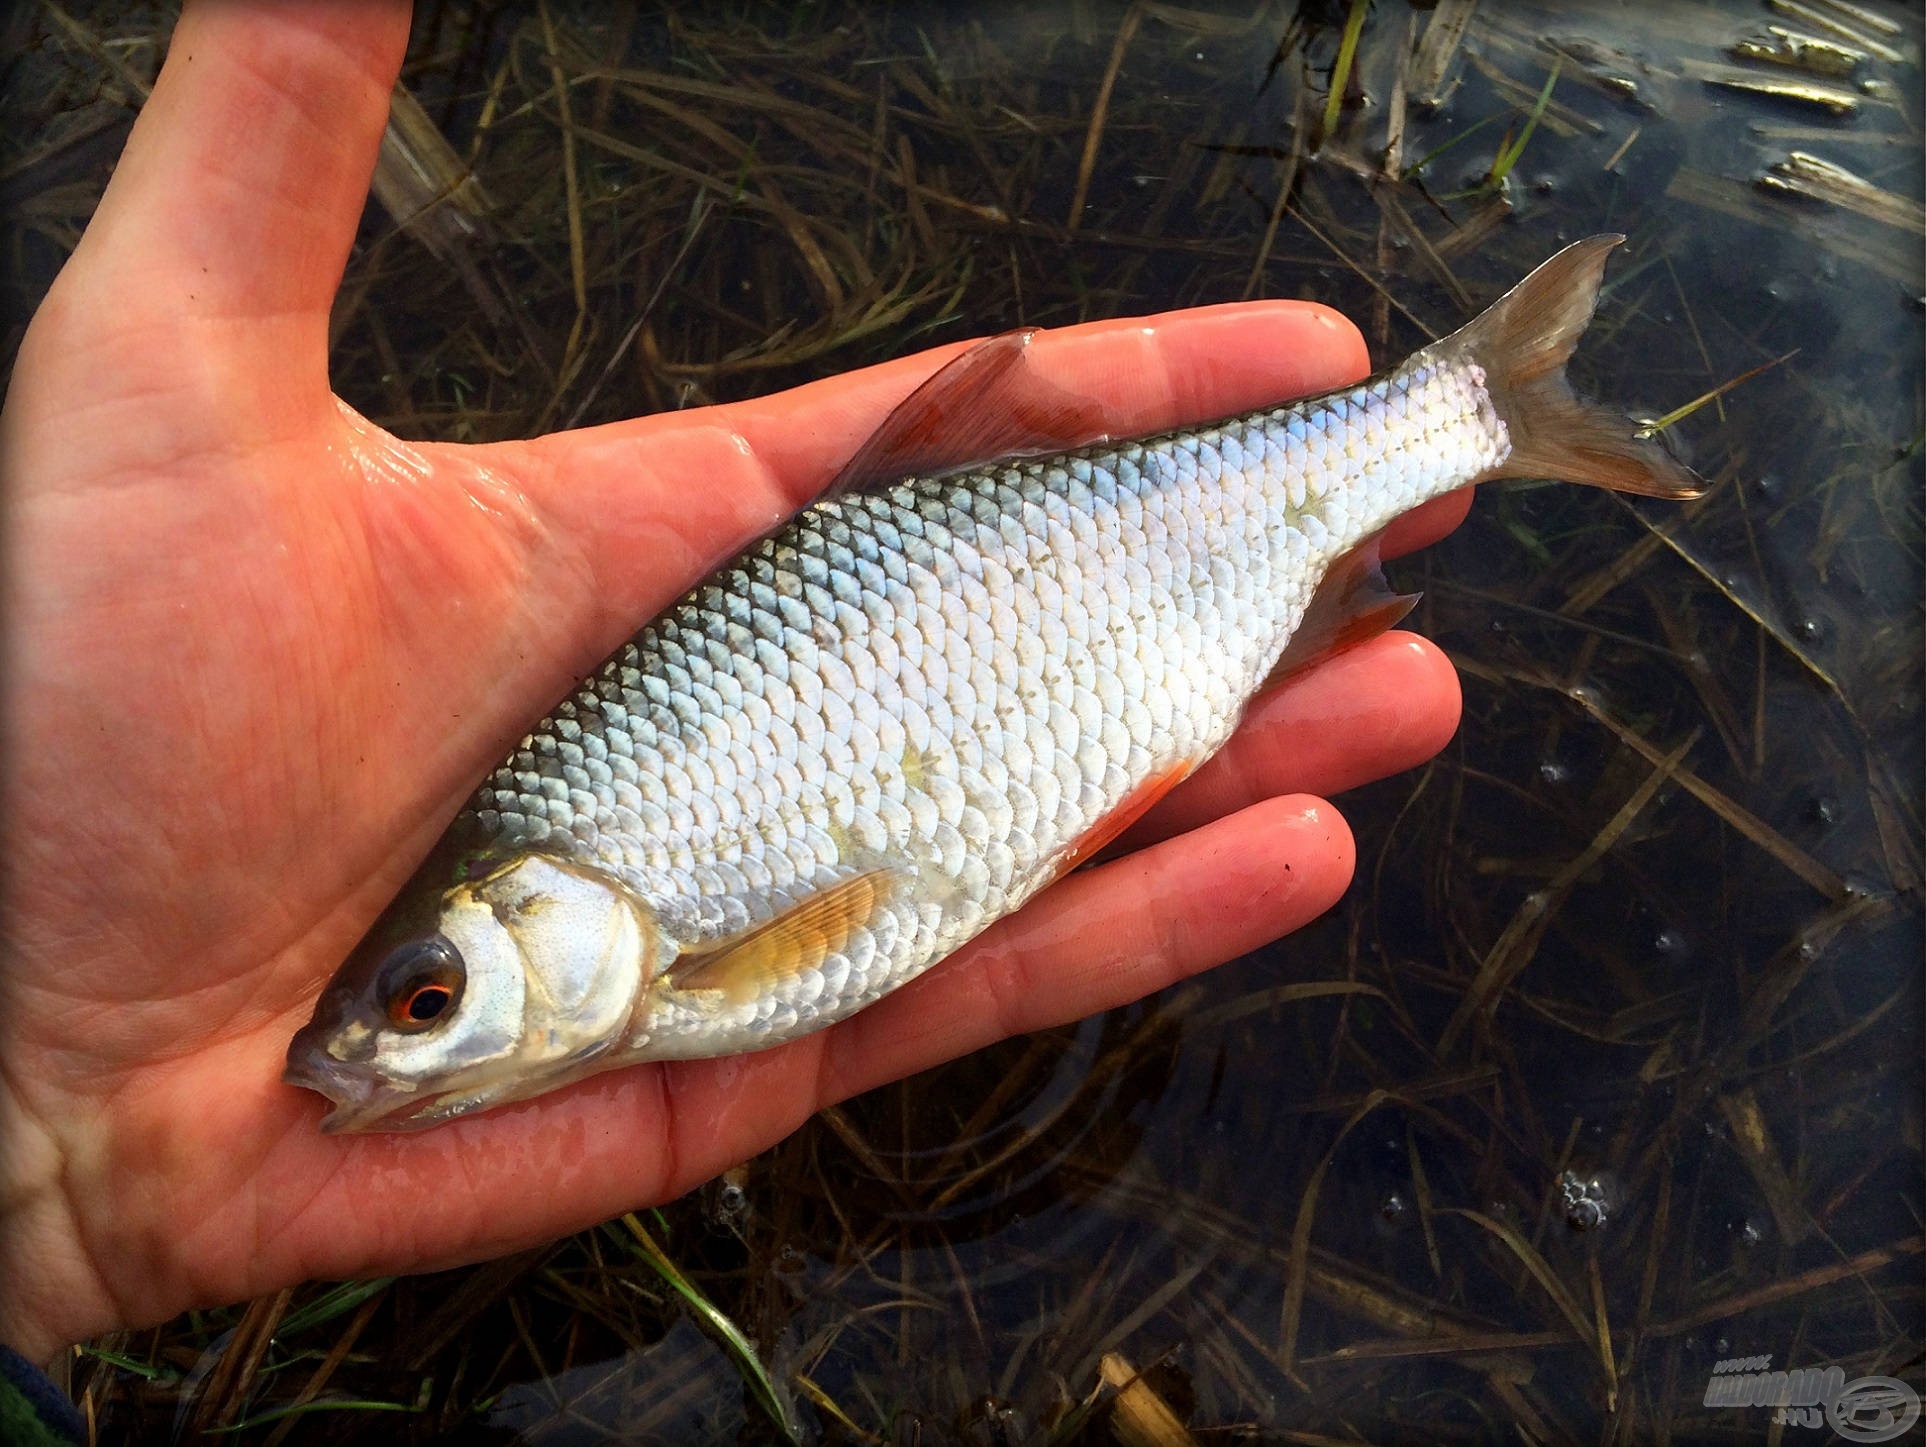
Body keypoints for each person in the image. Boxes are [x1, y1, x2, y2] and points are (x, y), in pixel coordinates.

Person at [0, 0, 1468, 1403]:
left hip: (1094, 595)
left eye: (425, 997)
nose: (375, 1046)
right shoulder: (641, 961)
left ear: (537, 905)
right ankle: (1455, 416)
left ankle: (1464, 410)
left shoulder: (679, 958)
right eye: (423, 1000)